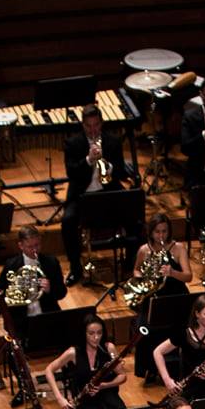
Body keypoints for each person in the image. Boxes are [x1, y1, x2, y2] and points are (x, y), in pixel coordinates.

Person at [62, 105, 127, 279]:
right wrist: (89, 159)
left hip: (108, 194)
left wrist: (108, 165)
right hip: (82, 196)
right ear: (83, 125)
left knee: (134, 215)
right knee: (68, 221)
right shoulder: (73, 143)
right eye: (89, 126)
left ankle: (130, 263)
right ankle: (75, 268)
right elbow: (72, 173)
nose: (93, 130)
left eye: (96, 125)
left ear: (102, 123)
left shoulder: (113, 141)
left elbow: (122, 172)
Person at [130, 216, 193, 381]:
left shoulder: (178, 248)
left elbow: (188, 276)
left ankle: (180, 367)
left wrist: (172, 272)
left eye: (164, 231)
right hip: (153, 298)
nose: (161, 236)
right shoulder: (144, 250)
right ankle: (150, 368)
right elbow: (136, 271)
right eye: (157, 232)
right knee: (144, 329)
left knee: (182, 328)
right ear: (150, 232)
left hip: (176, 297)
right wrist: (145, 278)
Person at [152, 292, 205, 406]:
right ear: (197, 314)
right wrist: (167, 380)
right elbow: (157, 352)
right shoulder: (184, 333)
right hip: (191, 385)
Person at [45, 315, 129, 409]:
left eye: (99, 332)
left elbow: (122, 376)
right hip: (85, 403)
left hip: (109, 396)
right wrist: (60, 398)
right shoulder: (73, 352)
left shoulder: (108, 348)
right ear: (84, 333)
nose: (96, 337)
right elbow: (49, 370)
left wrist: (105, 385)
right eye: (91, 333)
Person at [0, 226, 66, 337]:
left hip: (47, 315)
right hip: (22, 321)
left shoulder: (51, 262)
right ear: (21, 246)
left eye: (37, 245)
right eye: (30, 247)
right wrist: (17, 289)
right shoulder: (11, 265)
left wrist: (50, 288)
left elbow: (62, 293)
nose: (34, 250)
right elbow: (1, 292)